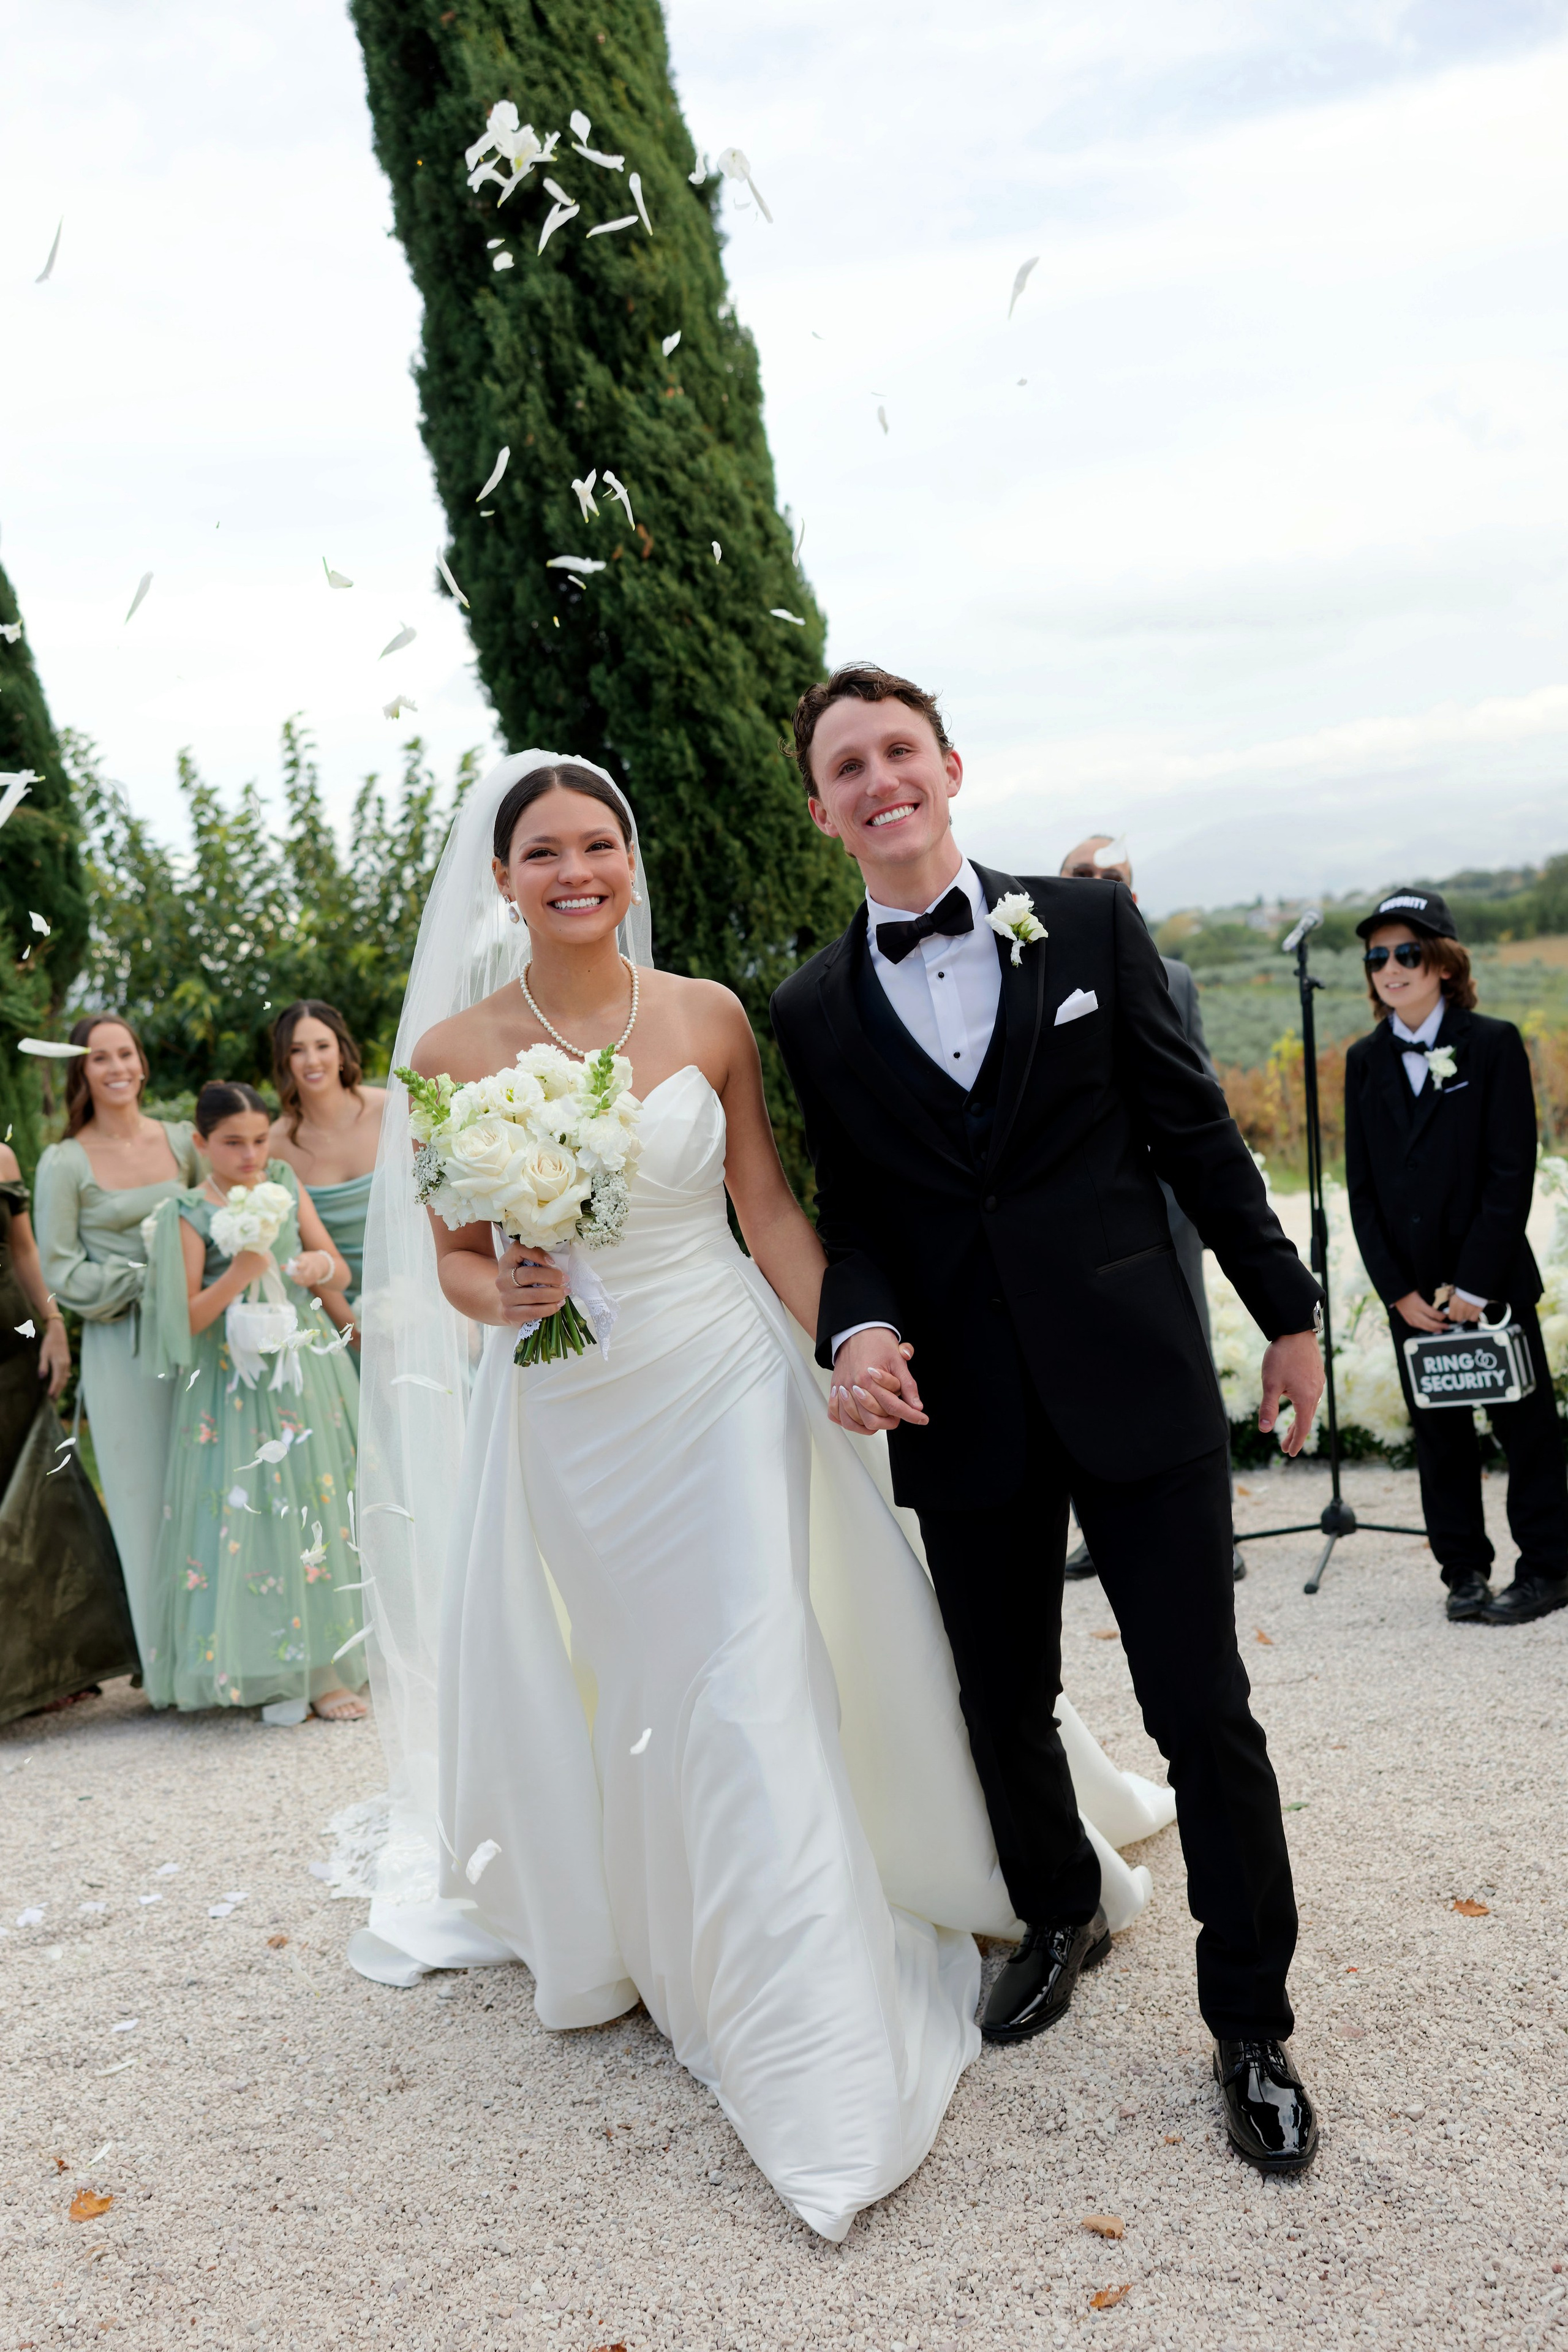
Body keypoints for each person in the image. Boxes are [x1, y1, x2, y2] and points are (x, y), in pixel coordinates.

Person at [350, 750, 1180, 2244]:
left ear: (626, 856)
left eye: (597, 840)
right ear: (502, 878)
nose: (575, 869)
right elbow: (455, 1259)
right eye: (542, 850)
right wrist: (505, 1282)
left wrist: (845, 1342)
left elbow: (770, 1207)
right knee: (652, 1683)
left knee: (745, 1669)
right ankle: (673, 1926)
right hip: (573, 1407)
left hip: (723, 1378)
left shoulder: (710, 1017)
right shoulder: (456, 1051)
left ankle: (807, 2037)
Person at [770, 666, 1327, 2176]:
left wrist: (1287, 1316)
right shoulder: (811, 1008)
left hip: (1132, 1379)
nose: (879, 778)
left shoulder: (1080, 926)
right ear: (821, 810)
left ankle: (1249, 2021)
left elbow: (1189, 1126)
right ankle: (1055, 1913)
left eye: (898, 750)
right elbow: (855, 1211)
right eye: (846, 765)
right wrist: (854, 1316)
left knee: (1200, 1704)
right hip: (963, 1404)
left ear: (947, 766)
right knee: (995, 1697)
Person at [1344, 886, 1567, 1627]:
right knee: (1440, 1439)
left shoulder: (1493, 1043)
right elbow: (1364, 1191)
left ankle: (1547, 1566)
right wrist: (1398, 1292)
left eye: (1406, 953)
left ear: (1441, 963)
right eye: (1377, 956)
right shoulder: (1364, 1061)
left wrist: (1472, 1284)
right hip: (1415, 1298)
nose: (1390, 968)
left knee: (1525, 1431)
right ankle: (1463, 1570)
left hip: (1490, 1286)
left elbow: (1511, 1172)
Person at [137, 1081, 368, 1719]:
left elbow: (335, 1264)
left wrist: (321, 1270)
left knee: (315, 1500)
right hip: (230, 1382)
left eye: (260, 1140)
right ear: (200, 1141)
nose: (250, 1155)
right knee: (248, 1513)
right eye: (233, 1143)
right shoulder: (187, 1211)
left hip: (300, 1365)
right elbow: (183, 1320)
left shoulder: (285, 1183)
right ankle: (266, 1666)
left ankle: (326, 1669)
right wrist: (239, 1274)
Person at [1057, 835, 1245, 1585]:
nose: (1100, 886)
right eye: (1084, 877)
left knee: (1188, 1369)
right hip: (1073, 1224)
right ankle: (1099, 1533)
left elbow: (1198, 1100)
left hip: (1164, 1219)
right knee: (1080, 1378)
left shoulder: (1175, 977)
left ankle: (1215, 1533)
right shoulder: (1029, 976)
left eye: (1115, 879)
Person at [34, 1016, 202, 1670]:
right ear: (82, 1074)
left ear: (141, 1062)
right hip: (121, 1348)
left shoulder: (183, 1142)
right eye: (99, 1059)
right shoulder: (63, 1162)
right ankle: (164, 1663)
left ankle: (215, 1651)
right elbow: (61, 1270)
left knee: (202, 1480)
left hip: (192, 1337)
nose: (116, 1068)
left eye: (125, 1053)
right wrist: (144, 1279)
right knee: (141, 1494)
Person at [0, 1139, 138, 1726]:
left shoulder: (2, 1160)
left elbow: (26, 1251)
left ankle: (42, 1671)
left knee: (36, 1510)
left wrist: (53, 1324)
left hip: (9, 1345)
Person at [268, 1000, 386, 1341]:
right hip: (335, 1312)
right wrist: (351, 1332)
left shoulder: (391, 1111)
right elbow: (299, 1244)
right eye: (297, 1050)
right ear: (285, 1061)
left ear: (341, 1051)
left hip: (423, 1291)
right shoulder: (275, 1146)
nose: (313, 1061)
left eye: (322, 1046)